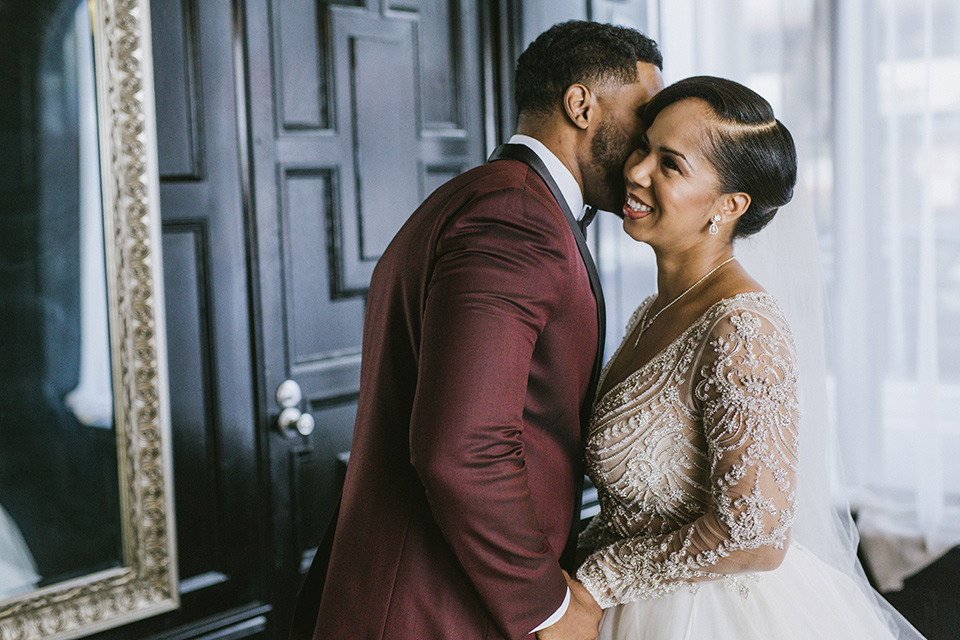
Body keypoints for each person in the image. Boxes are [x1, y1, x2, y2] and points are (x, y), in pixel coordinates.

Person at [288, 21, 664, 640]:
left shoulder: (477, 197)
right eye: (642, 118)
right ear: (581, 105)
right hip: (436, 609)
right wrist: (547, 606)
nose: (647, 148)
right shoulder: (516, 217)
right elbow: (461, 447)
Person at [573, 75, 926, 639]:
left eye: (670, 164)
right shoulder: (653, 310)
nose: (635, 172)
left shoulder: (742, 328)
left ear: (730, 205)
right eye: (644, 147)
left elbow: (756, 534)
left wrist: (597, 580)